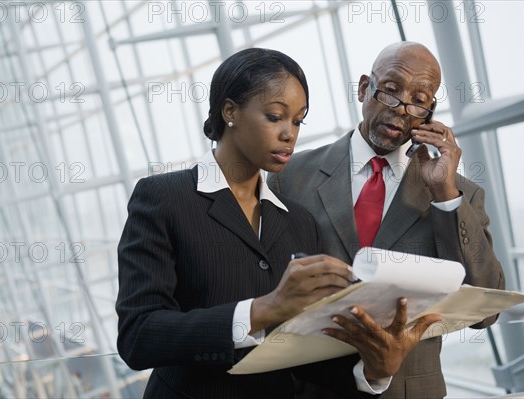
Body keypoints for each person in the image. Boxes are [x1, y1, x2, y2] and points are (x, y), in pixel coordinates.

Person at [116, 47, 440, 399]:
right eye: (275, 117)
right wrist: (261, 311)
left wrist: (375, 370)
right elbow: (138, 336)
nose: (289, 134)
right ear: (230, 112)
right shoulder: (164, 197)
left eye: (298, 121)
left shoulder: (298, 222)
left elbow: (307, 355)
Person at [269, 41, 506, 398]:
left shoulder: (459, 194)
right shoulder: (292, 177)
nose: (401, 110)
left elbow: (484, 313)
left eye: (420, 100)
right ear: (365, 88)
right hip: (310, 388)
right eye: (391, 91)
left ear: (430, 112)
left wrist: (444, 194)